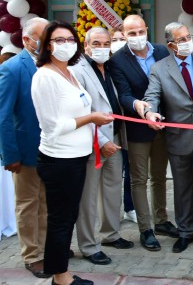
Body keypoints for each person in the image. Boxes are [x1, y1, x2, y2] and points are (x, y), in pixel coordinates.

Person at [31, 20, 114, 285]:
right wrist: (91, 118)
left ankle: (61, 272)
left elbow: (79, 108)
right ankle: (61, 277)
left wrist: (94, 120)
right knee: (61, 220)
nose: (66, 44)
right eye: (59, 40)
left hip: (77, 158)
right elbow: (52, 127)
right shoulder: (45, 77)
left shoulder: (69, 73)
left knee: (67, 217)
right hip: (59, 160)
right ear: (47, 45)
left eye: (70, 40)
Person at [141, 22, 193, 254]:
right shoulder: (159, 69)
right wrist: (149, 112)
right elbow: (152, 96)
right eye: (181, 39)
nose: (187, 42)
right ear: (170, 45)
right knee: (182, 187)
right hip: (177, 137)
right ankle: (185, 232)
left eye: (188, 37)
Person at [108, 15, 177, 251]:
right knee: (139, 179)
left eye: (140, 31)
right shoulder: (117, 60)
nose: (137, 37)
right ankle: (145, 229)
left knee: (159, 176)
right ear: (124, 34)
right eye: (131, 33)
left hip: (163, 124)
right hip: (137, 127)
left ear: (147, 29)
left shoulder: (161, 51)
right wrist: (139, 107)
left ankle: (161, 220)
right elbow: (124, 94)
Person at [70, 27, 134, 266]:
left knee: (112, 190)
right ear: (86, 46)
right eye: (96, 43)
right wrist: (102, 142)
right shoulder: (77, 70)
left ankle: (111, 234)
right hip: (93, 142)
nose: (102, 48)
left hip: (115, 138)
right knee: (88, 197)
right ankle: (88, 245)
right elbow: (81, 112)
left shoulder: (110, 67)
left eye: (106, 44)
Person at [0, 17, 50, 278]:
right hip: (25, 149)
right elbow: (3, 116)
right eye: (43, 37)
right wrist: (10, 154)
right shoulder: (12, 68)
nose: (49, 42)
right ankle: (32, 255)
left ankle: (45, 248)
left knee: (46, 203)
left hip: (52, 148)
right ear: (27, 40)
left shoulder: (52, 64)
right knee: (28, 204)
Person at [109, 26, 135, 223]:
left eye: (121, 39)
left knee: (130, 169)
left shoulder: (127, 65)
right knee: (113, 173)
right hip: (109, 128)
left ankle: (130, 206)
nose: (118, 43)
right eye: (114, 40)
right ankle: (110, 213)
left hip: (128, 126)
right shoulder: (104, 66)